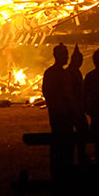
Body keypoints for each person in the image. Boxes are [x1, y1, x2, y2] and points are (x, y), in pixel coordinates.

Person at [42, 44, 75, 172]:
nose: (66, 57)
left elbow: (46, 92)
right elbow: (67, 94)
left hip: (57, 114)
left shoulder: (50, 73)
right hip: (62, 114)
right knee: (64, 144)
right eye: (64, 55)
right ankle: (63, 170)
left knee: (59, 143)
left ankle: (59, 170)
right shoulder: (60, 74)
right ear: (57, 56)